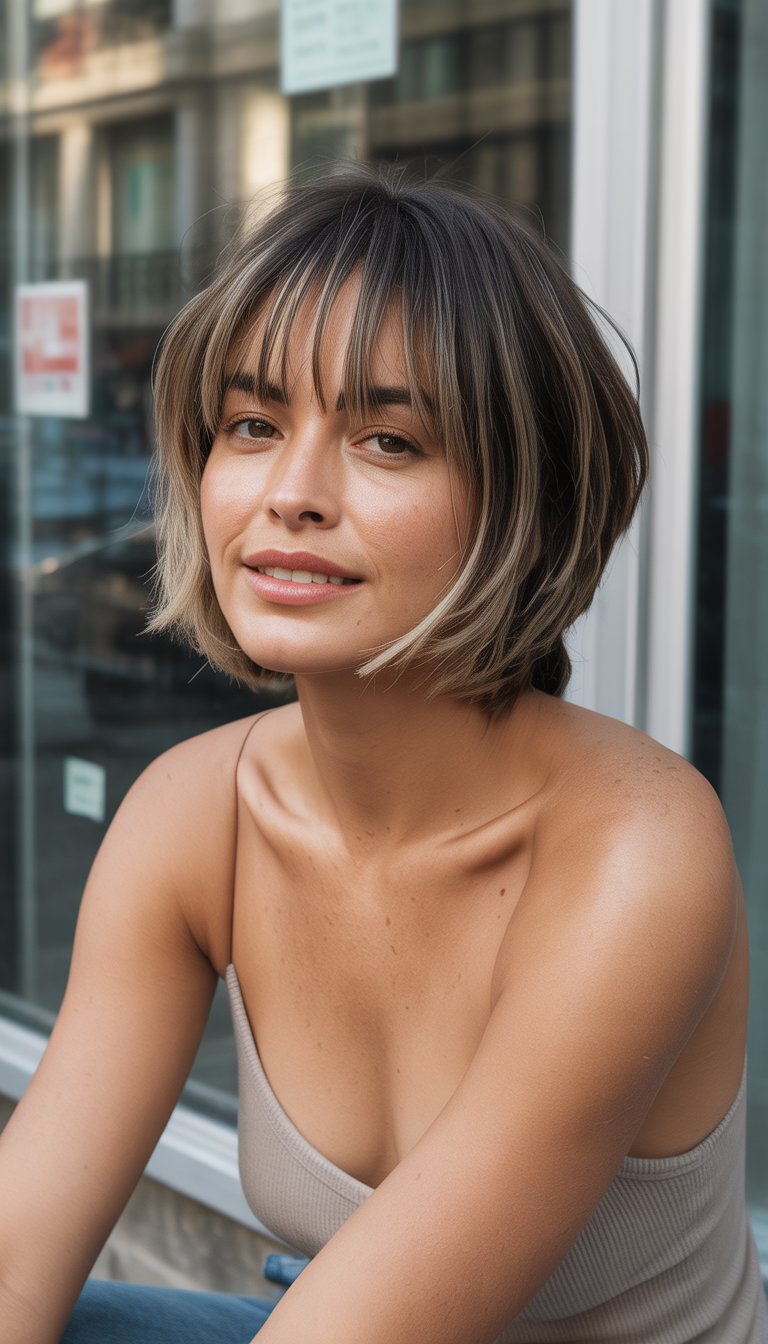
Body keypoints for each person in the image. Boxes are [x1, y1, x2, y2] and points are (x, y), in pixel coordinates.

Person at [0, 167, 764, 1344]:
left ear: (529, 498)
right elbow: (18, 1254)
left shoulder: (637, 849)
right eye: (253, 426)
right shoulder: (195, 815)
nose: (291, 494)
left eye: (389, 439)